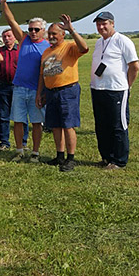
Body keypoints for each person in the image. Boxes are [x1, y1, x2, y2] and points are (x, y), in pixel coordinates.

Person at [0, 0, 50, 163]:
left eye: (36, 29)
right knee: (18, 121)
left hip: (37, 89)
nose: (33, 32)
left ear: (43, 30)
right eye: (30, 29)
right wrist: (3, 3)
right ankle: (19, 150)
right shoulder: (24, 39)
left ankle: (35, 152)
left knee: (36, 122)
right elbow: (11, 20)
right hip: (19, 88)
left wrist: (43, 92)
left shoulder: (48, 47)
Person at [36, 15, 89, 172]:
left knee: (68, 125)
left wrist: (72, 30)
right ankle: (59, 155)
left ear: (62, 34)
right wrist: (40, 93)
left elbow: (84, 48)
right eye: (50, 33)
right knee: (55, 125)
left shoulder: (70, 47)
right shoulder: (46, 52)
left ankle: (70, 158)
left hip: (67, 90)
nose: (51, 36)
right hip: (50, 92)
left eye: (55, 33)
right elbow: (42, 74)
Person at [90, 11, 139, 170]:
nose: (101, 27)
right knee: (101, 125)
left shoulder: (123, 41)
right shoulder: (99, 42)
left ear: (112, 24)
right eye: (98, 24)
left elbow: (134, 66)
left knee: (118, 125)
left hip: (116, 90)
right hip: (98, 89)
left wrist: (127, 85)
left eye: (104, 23)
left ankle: (119, 160)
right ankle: (106, 157)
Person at [0, 28, 28, 151]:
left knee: (22, 115)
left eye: (9, 36)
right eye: (4, 37)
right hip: (4, 86)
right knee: (3, 115)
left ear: (14, 37)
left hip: (19, 86)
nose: (7, 39)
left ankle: (23, 142)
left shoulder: (21, 50)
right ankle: (4, 142)